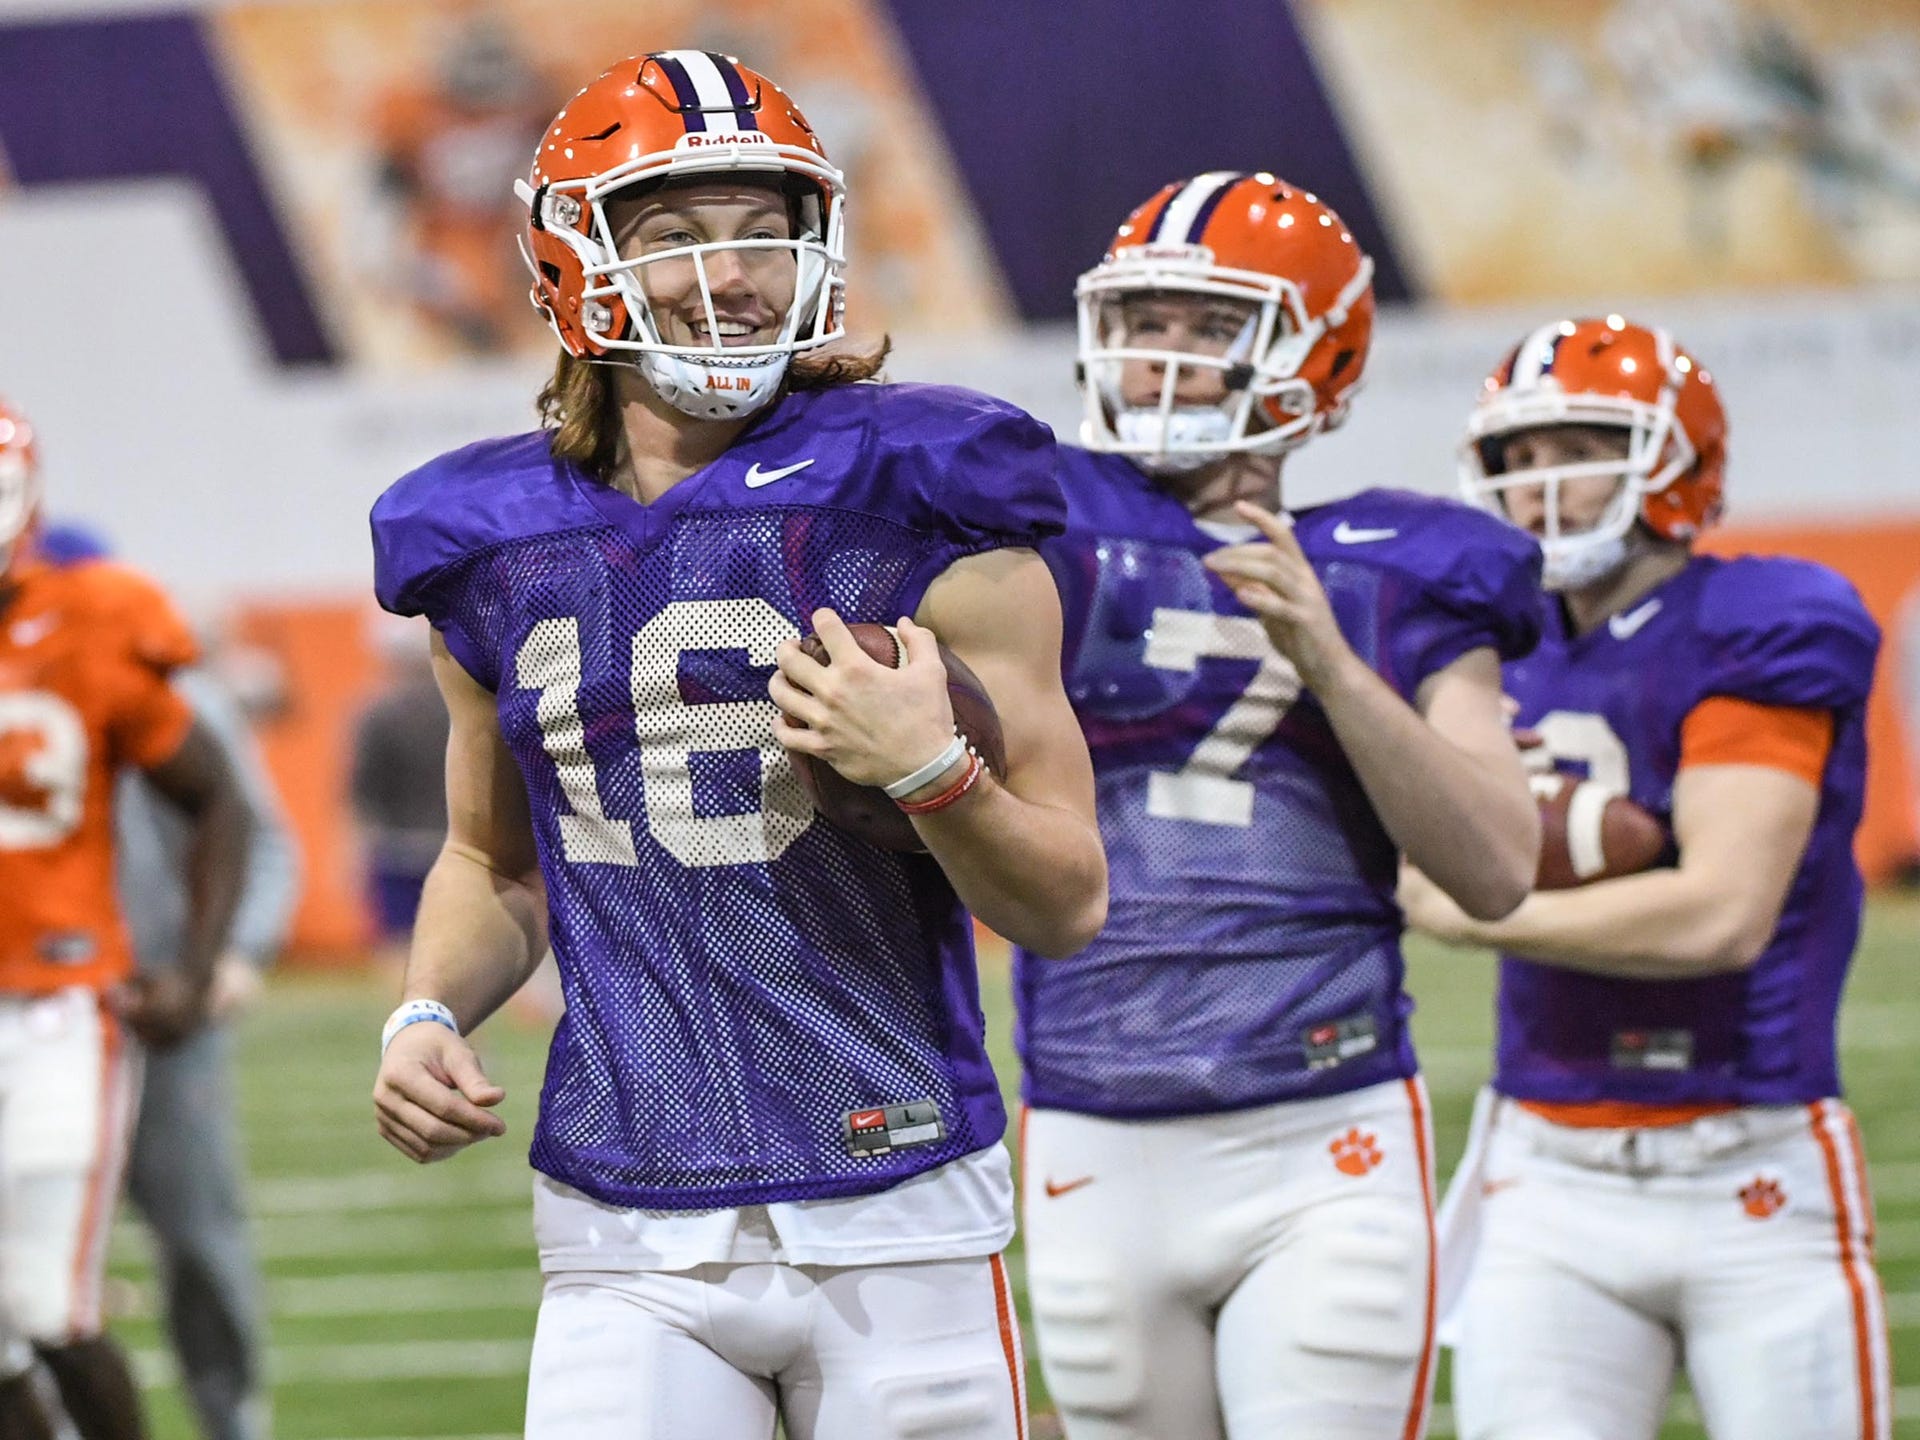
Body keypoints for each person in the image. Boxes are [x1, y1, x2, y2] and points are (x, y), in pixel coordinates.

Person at [367, 51, 1105, 1440]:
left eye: (761, 231)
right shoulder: (478, 540)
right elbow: (491, 859)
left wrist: (934, 774)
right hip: (621, 1213)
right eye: (674, 237)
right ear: (571, 264)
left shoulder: (928, 488)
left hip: (896, 1196)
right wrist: (424, 1011)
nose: (734, 273)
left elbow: (1066, 900)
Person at [1013, 173, 1543, 1440]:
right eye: (1147, 318)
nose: (1160, 355)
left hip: (1322, 1126)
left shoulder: (1404, 565)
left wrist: (1335, 664)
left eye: (1208, 326)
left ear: (1317, 352)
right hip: (1089, 1111)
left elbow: (1496, 871)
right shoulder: (1033, 516)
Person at [1400, 316, 1889, 1440]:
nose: (1542, 486)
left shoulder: (1762, 620)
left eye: (1580, 447)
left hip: (1750, 1152)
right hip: (1547, 1166)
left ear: (1677, 458)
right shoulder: (1484, 644)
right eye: (1518, 459)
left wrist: (1480, 912)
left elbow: (1719, 914)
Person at [0, 404, 252, 1440]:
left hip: (59, 1006)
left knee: (43, 1304)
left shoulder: (92, 616)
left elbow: (219, 797)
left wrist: (197, 967)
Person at [39, 522, 302, 1440]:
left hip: (164, 1014)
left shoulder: (178, 697)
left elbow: (258, 836)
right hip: (34, 1012)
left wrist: (227, 960)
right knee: (31, 1267)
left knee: (200, 1244)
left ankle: (232, 1421)